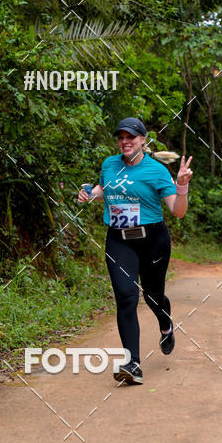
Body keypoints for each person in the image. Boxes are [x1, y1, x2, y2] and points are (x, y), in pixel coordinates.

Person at [78, 117, 193, 385]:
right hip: (119, 241)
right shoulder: (109, 164)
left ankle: (165, 323)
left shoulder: (157, 171)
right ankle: (133, 364)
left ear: (143, 140)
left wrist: (182, 186)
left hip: (153, 241)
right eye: (121, 137)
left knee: (153, 296)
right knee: (126, 296)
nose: (125, 142)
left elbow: (178, 211)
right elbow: (103, 189)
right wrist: (89, 193)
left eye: (130, 137)